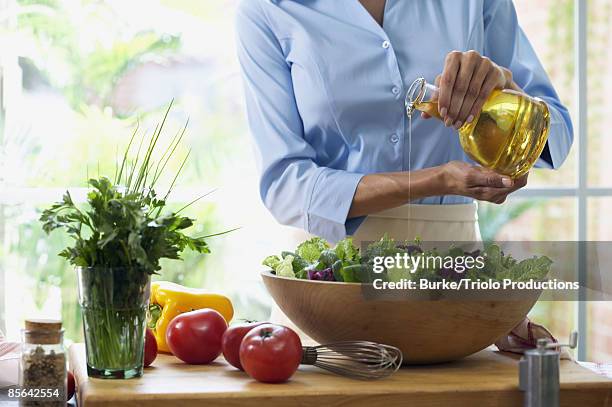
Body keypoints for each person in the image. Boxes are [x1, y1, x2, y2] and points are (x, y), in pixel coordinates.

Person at [236, 0, 572, 350]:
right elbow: (284, 185)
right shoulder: (267, 9)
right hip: (324, 294)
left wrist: (507, 88)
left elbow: (557, 133)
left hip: (455, 288)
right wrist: (435, 180)